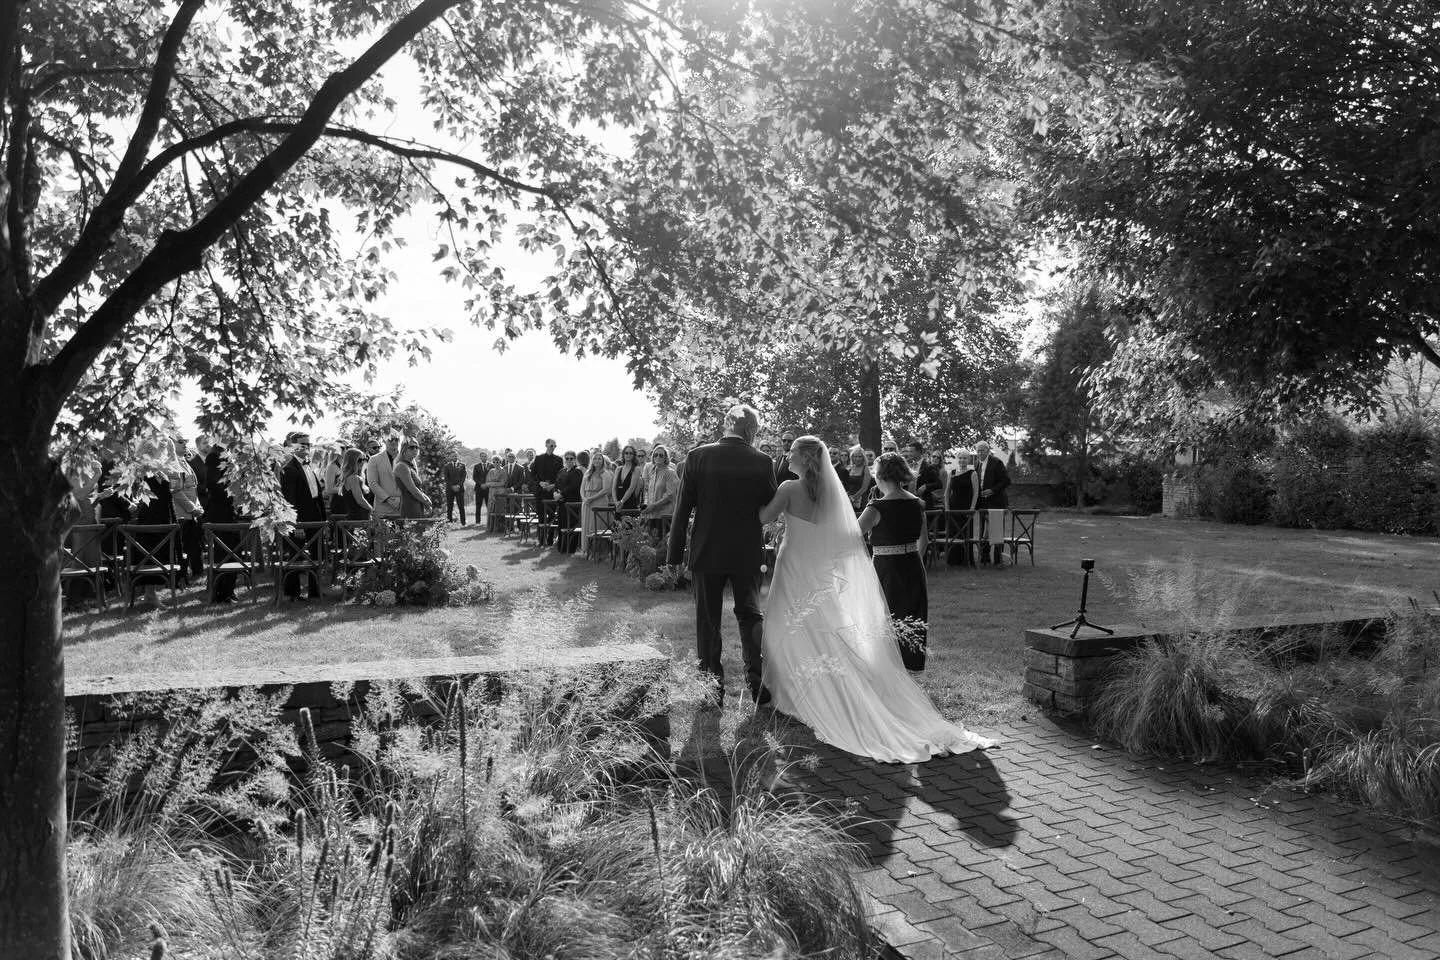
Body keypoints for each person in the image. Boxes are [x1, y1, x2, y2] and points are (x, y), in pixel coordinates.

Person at [759, 437, 993, 763]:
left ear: (806, 458)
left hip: (804, 563)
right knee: (820, 625)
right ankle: (821, 678)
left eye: (793, 451)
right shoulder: (833, 491)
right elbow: (842, 534)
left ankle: (792, 686)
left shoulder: (790, 488)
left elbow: (771, 519)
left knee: (788, 623)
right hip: (840, 567)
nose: (788, 454)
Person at [666, 404, 777, 708]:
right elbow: (770, 508)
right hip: (746, 551)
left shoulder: (698, 456)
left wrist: (674, 555)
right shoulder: (763, 461)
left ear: (727, 425)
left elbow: (681, 511)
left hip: (707, 549)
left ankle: (710, 689)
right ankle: (757, 682)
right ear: (751, 430)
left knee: (707, 620)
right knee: (750, 614)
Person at [858, 452, 929, 671]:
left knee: (885, 615)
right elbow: (924, 541)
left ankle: (885, 667)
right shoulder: (918, 503)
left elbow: (849, 535)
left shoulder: (876, 507)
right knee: (910, 614)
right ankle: (910, 666)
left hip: (885, 568)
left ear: (879, 476)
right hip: (913, 565)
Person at [280, 431, 327, 601]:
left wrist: (323, 519)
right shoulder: (289, 469)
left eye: (309, 444)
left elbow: (317, 494)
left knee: (317, 553)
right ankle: (292, 594)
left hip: (315, 515)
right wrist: (296, 524)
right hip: (299, 518)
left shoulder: (310, 466)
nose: (307, 447)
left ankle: (315, 592)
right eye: (302, 444)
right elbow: (289, 500)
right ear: (293, 446)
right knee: (295, 554)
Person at [204, 440, 243, 603]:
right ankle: (221, 593)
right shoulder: (214, 456)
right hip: (220, 511)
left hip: (229, 511)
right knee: (223, 553)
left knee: (234, 550)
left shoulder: (230, 455)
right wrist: (232, 498)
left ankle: (229, 590)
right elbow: (213, 484)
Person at [170, 435, 206, 580]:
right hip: (182, 514)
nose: (185, 443)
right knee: (183, 548)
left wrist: (198, 507)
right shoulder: (173, 463)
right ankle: (181, 578)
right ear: (171, 445)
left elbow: (192, 489)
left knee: (195, 545)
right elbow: (176, 491)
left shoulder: (184, 460)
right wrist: (192, 508)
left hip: (192, 513)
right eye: (180, 441)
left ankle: (197, 574)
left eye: (186, 441)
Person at [973, 440, 1011, 564]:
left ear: (988, 451)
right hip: (984, 503)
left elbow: (1006, 481)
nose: (979, 453)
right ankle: (985, 557)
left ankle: (998, 558)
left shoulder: (996, 462)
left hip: (997, 502)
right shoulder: (977, 463)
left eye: (982, 450)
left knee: (997, 530)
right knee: (984, 530)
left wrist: (992, 490)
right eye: (978, 451)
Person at [946, 451, 981, 567]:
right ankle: (953, 561)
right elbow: (947, 492)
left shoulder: (973, 473)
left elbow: (976, 493)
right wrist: (947, 508)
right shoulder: (952, 472)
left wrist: (972, 508)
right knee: (954, 534)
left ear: (969, 460)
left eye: (965, 458)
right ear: (957, 459)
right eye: (960, 458)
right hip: (953, 508)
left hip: (966, 509)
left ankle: (966, 560)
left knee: (966, 534)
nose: (962, 460)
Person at [530, 438, 564, 546]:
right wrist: (540, 483)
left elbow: (561, 476)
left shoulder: (559, 459)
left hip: (552, 491)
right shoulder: (539, 458)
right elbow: (532, 475)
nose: (553, 448)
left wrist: (554, 485)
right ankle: (541, 540)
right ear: (546, 445)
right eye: (551, 446)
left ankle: (549, 540)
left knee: (552, 515)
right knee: (541, 516)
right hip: (541, 491)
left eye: (554, 446)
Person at [642, 444, 680, 538]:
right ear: (653, 457)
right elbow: (647, 491)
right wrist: (647, 506)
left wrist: (653, 506)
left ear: (666, 458)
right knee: (652, 546)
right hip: (652, 515)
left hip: (664, 516)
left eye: (661, 455)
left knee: (662, 547)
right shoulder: (652, 472)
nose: (658, 457)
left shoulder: (670, 472)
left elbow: (670, 495)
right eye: (656, 455)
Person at [365, 427, 403, 519]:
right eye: (390, 439)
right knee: (384, 534)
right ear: (384, 441)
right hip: (383, 508)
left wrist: (402, 500)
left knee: (406, 534)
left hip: (404, 507)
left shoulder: (407, 459)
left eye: (396, 439)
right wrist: (388, 499)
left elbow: (414, 482)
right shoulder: (374, 459)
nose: (394, 442)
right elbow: (373, 483)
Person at [581, 448, 612, 555]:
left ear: (603, 461)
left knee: (597, 526)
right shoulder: (587, 473)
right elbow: (582, 488)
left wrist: (591, 498)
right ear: (592, 460)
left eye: (600, 459)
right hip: (587, 502)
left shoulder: (605, 473)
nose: (597, 460)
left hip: (599, 501)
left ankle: (598, 552)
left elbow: (606, 490)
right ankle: (587, 549)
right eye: (595, 458)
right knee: (587, 525)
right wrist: (584, 498)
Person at [553, 449, 584, 553]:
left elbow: (574, 486)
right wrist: (555, 493)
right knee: (561, 525)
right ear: (564, 459)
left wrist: (561, 494)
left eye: (571, 458)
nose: (569, 460)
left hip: (572, 504)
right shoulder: (561, 471)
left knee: (570, 526)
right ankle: (561, 548)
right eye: (567, 458)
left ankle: (570, 549)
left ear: (575, 460)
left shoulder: (577, 472)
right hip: (561, 503)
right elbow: (556, 484)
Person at [395, 441, 433, 518]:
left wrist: (426, 497)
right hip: (409, 507)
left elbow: (418, 488)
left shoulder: (410, 466)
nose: (415, 449)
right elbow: (413, 490)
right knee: (413, 529)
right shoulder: (402, 466)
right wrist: (426, 503)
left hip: (417, 504)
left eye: (417, 447)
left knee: (420, 529)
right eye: (412, 447)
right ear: (404, 450)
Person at [335, 447, 373, 519]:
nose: (363, 462)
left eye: (364, 459)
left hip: (356, 518)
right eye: (359, 460)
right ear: (352, 461)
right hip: (359, 519)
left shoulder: (352, 477)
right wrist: (372, 510)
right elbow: (360, 500)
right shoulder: (353, 478)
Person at [905, 440, 943, 509]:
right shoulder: (908, 466)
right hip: (909, 503)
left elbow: (939, 483)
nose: (909, 454)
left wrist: (925, 486)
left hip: (924, 504)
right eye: (908, 451)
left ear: (919, 452)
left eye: (911, 451)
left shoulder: (928, 467)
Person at [611, 444, 644, 513]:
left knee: (629, 523)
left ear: (633, 455)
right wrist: (616, 502)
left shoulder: (636, 469)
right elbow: (613, 488)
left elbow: (631, 488)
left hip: (630, 503)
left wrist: (622, 502)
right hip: (617, 504)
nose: (628, 455)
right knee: (617, 523)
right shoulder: (618, 469)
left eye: (631, 453)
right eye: (626, 453)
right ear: (623, 454)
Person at [841, 444, 874, 510]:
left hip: (861, 500)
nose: (857, 459)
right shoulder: (849, 468)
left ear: (863, 458)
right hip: (848, 499)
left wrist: (853, 498)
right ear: (852, 457)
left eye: (860, 456)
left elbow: (864, 488)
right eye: (855, 456)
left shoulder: (866, 469)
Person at [443, 454, 468, 524]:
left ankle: (463, 522)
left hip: (460, 489)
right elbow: (446, 478)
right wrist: (452, 486)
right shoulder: (447, 466)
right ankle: (449, 522)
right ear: (450, 457)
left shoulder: (462, 465)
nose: (454, 457)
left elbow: (463, 476)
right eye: (453, 456)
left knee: (461, 506)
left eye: (455, 456)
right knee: (449, 506)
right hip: (450, 489)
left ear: (457, 456)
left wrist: (458, 485)